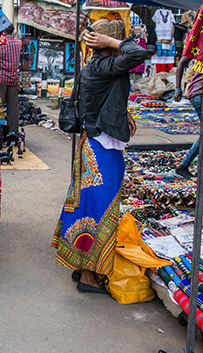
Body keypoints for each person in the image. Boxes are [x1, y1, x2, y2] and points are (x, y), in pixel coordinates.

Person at [52, 19, 145, 294]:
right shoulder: (107, 64)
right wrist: (113, 44)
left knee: (87, 206)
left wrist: (121, 111)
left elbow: (101, 97)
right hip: (102, 148)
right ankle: (89, 277)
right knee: (99, 211)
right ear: (109, 41)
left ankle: (81, 267)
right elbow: (138, 54)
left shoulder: (93, 66)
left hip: (92, 142)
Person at [173, 56, 203, 178]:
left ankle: (200, 169)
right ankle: (184, 165)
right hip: (199, 93)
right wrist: (177, 89)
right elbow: (182, 63)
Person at [0, 25, 23, 136]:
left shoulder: (0, 45)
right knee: (13, 108)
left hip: (1, 80)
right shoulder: (18, 43)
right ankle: (13, 132)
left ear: (3, 31)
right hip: (14, 80)